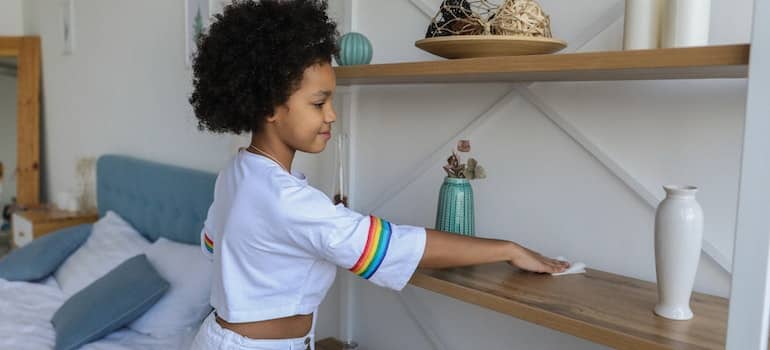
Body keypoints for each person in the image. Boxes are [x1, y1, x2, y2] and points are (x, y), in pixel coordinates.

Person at [189, 1, 568, 349]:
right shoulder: (285, 200)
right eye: (319, 103)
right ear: (270, 107)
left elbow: (213, 245)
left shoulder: (237, 172)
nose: (332, 115)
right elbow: (392, 246)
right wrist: (508, 248)